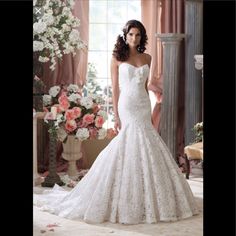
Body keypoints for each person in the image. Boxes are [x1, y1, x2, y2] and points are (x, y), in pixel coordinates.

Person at [34, 20, 199, 224]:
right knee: (128, 142)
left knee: (147, 142)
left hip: (142, 104)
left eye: (138, 35)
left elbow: (145, 86)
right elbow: (115, 88)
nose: (134, 38)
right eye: (131, 34)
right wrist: (117, 115)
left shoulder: (148, 57)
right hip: (127, 105)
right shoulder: (117, 58)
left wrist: (147, 108)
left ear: (141, 37)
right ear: (125, 35)